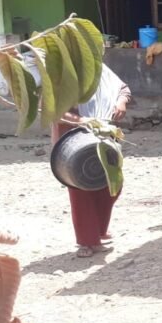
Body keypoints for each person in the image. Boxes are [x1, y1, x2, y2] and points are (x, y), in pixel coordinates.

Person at [51, 65, 132, 258]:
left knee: (111, 184)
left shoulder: (98, 68)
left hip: (104, 136)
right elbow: (54, 111)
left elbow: (122, 88)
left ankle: (99, 230)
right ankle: (87, 241)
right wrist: (83, 121)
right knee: (81, 189)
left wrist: (121, 102)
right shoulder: (62, 74)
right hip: (74, 143)